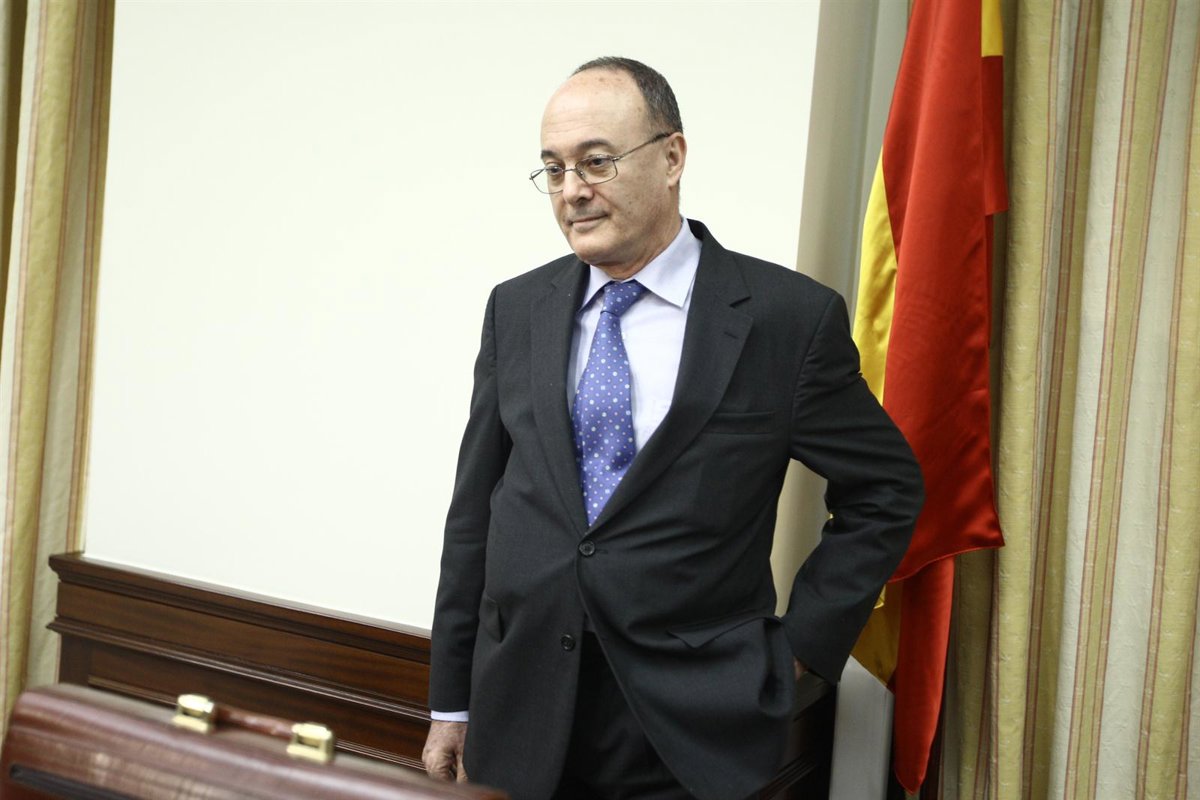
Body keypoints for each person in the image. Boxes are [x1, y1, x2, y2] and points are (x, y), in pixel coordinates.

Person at [422, 57, 923, 800]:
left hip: (691, 727)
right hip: (519, 710)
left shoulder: (786, 319)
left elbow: (886, 487)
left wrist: (801, 647)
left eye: (596, 161)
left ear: (672, 157)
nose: (572, 190)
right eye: (553, 169)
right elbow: (474, 512)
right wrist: (452, 701)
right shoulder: (516, 308)